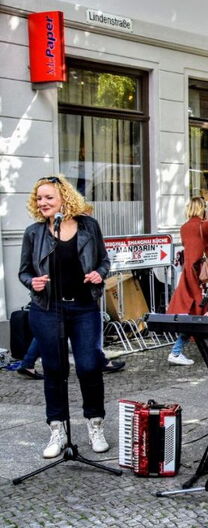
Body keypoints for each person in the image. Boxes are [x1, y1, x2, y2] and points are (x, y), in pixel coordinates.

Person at [19, 175, 111, 458]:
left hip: (84, 308)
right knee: (55, 370)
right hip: (48, 310)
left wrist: (100, 273)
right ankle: (57, 429)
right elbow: (24, 271)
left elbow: (104, 261)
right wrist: (31, 282)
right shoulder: (34, 233)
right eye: (39, 198)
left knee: (88, 366)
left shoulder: (88, 226)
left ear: (64, 198)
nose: (43, 202)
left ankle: (95, 424)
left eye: (48, 197)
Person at [166, 197, 208, 365]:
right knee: (201, 311)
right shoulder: (205, 225)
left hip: (189, 273)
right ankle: (175, 352)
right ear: (202, 209)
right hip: (202, 274)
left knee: (199, 310)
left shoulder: (184, 228)